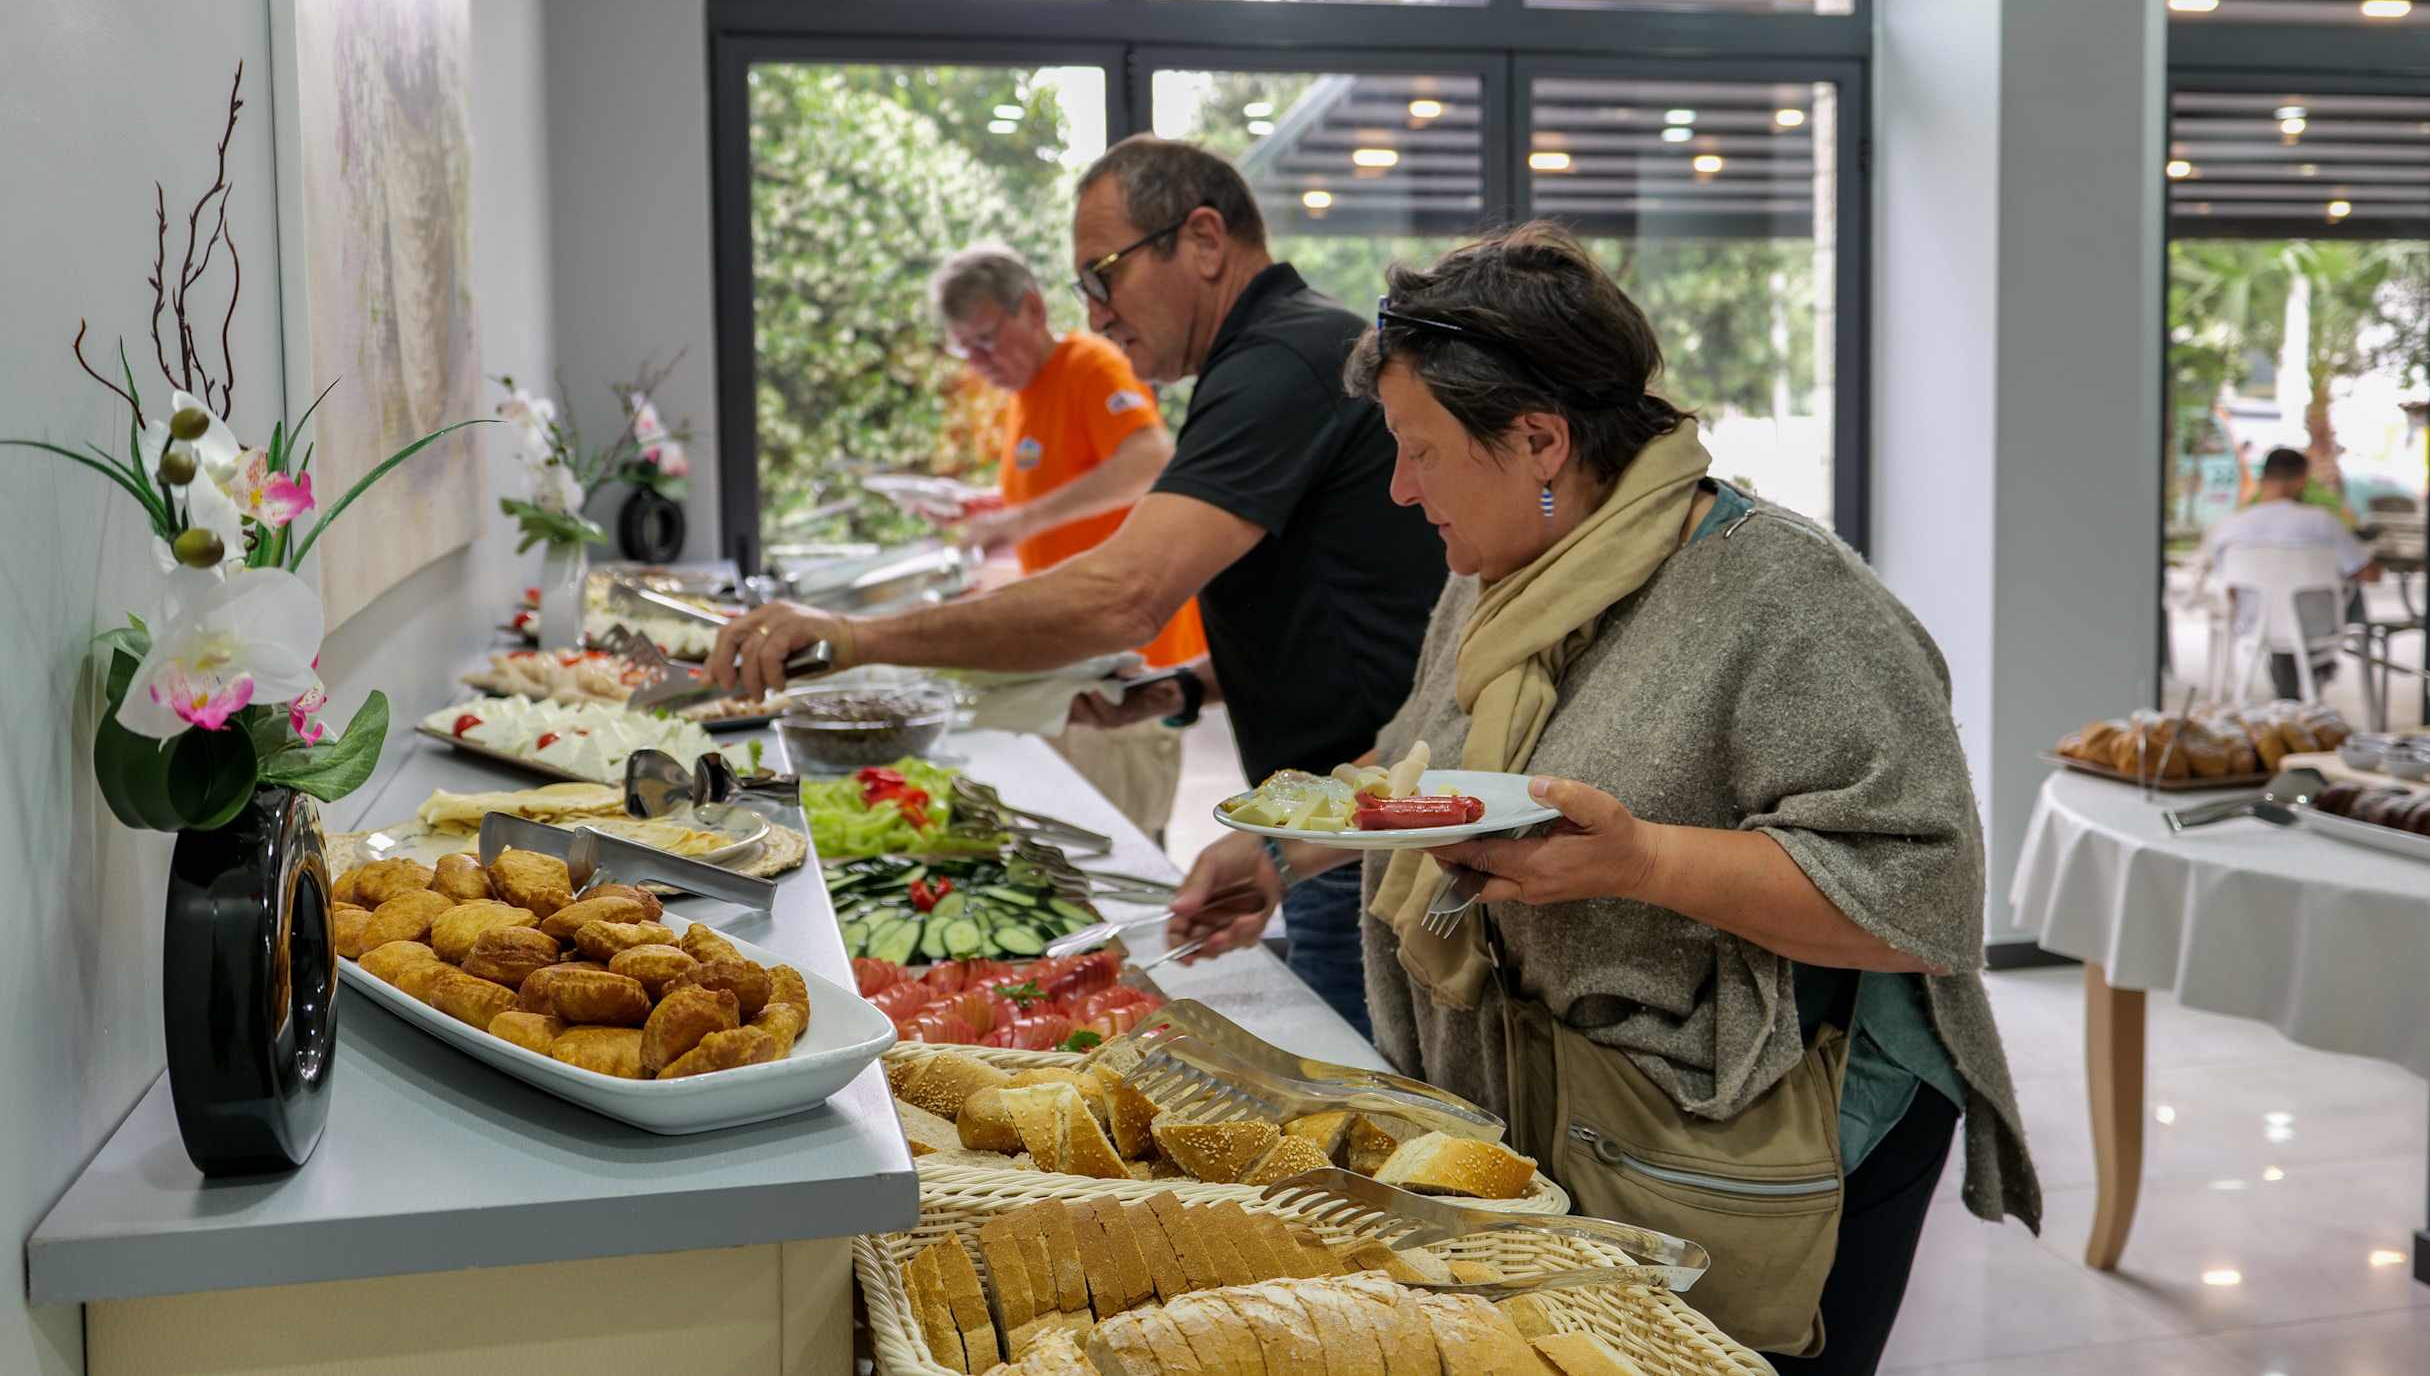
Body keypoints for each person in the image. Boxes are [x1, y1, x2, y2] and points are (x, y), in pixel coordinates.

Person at [1160, 223, 2038, 1372]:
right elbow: (1424, 759)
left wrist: (1643, 862)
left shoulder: (1786, 597)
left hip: (1749, 1137)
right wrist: (1287, 852)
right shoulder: (1503, 569)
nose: (1400, 488)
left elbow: (1919, 899)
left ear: (1540, 439)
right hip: (1560, 1119)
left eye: (1420, 452)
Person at [712, 137, 1448, 1038]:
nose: (1096, 317)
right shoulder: (1272, 352)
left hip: (1371, 825)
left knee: (1360, 1099)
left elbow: (1124, 596)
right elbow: (1336, 604)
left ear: (1204, 240)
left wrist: (855, 637)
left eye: (1104, 276)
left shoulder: (1282, 360)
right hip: (1336, 819)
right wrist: (1183, 689)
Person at [925, 243, 1208, 840]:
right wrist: (987, 507)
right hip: (1070, 658)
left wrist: (1019, 521)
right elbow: (1065, 490)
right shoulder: (1025, 396)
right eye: (965, 349)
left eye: (986, 339)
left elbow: (1149, 462)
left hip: (1127, 662)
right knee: (1074, 843)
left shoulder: (1090, 365)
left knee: (1125, 842)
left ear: (1032, 309)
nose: (979, 361)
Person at [2199, 446, 2382, 698]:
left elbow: (2227, 588)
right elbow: (2370, 574)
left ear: (2263, 479)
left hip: (2254, 624)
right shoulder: (2321, 522)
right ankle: (2317, 672)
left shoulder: (2229, 527)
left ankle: (2291, 688)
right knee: (2347, 589)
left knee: (2278, 608)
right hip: (2317, 625)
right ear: (2301, 479)